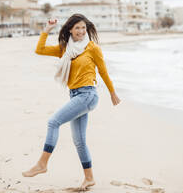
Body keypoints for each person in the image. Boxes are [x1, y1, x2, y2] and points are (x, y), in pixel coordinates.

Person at [22, 13, 121, 190]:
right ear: (70, 29)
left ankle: (42, 164)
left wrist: (113, 93)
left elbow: (103, 72)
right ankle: (89, 178)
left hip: (88, 95)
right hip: (75, 95)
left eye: (84, 28)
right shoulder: (65, 49)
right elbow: (40, 50)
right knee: (79, 141)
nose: (81, 31)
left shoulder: (92, 48)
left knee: (53, 122)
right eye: (77, 28)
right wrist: (47, 30)